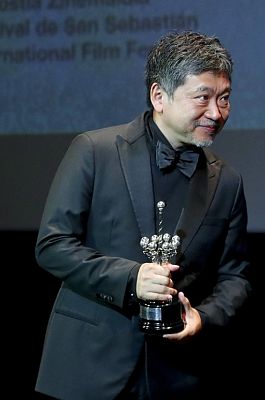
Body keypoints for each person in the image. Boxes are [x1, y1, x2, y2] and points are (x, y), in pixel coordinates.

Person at [34, 31, 251, 399]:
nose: (216, 113)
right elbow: (52, 245)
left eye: (224, 98)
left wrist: (204, 317)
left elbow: (236, 278)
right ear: (159, 96)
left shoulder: (226, 180)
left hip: (178, 376)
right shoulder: (94, 151)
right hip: (87, 368)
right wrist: (130, 278)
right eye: (203, 97)